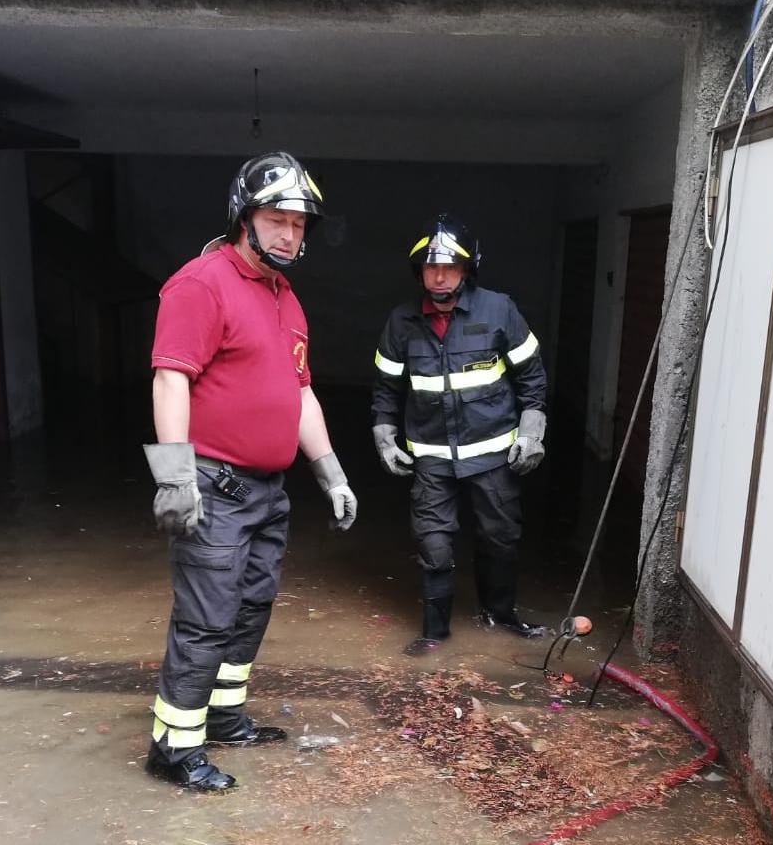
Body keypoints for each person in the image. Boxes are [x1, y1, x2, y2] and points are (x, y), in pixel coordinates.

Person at [143, 151, 358, 791]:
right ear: (244, 218)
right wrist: (175, 478)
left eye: (299, 224)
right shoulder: (201, 284)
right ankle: (173, 748)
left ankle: (223, 718)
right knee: (206, 619)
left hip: (268, 491)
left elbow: (301, 393)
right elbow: (170, 379)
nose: (289, 234)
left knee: (250, 609)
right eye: (276, 219)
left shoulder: (284, 297)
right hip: (214, 487)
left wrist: (332, 473)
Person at [371, 214, 548, 656]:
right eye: (431, 267)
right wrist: (385, 437)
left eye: (450, 267)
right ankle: (435, 633)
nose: (440, 276)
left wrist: (532, 433)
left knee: (500, 538)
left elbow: (532, 378)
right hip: (431, 458)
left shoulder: (499, 310)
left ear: (467, 269)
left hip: (493, 455)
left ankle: (500, 616)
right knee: (433, 542)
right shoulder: (401, 322)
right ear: (419, 271)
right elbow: (386, 388)